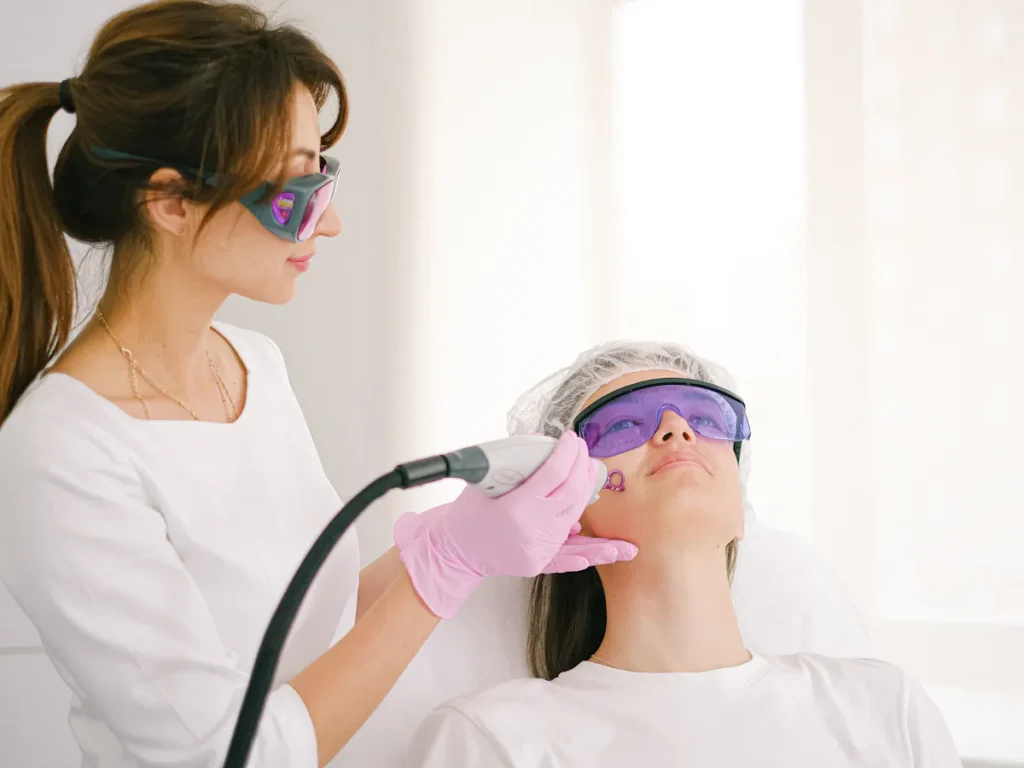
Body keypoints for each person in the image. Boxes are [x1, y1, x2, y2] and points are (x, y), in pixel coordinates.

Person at [0, 3, 639, 767]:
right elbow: (228, 756)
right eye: (294, 192)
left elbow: (307, 632)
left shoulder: (251, 364)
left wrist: (448, 538)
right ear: (169, 200)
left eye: (322, 178)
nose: (327, 225)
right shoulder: (62, 450)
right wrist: (445, 570)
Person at [408, 341, 963, 767]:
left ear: (739, 503)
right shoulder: (495, 740)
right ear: (563, 508)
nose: (676, 430)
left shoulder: (883, 707)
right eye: (625, 422)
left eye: (705, 419)